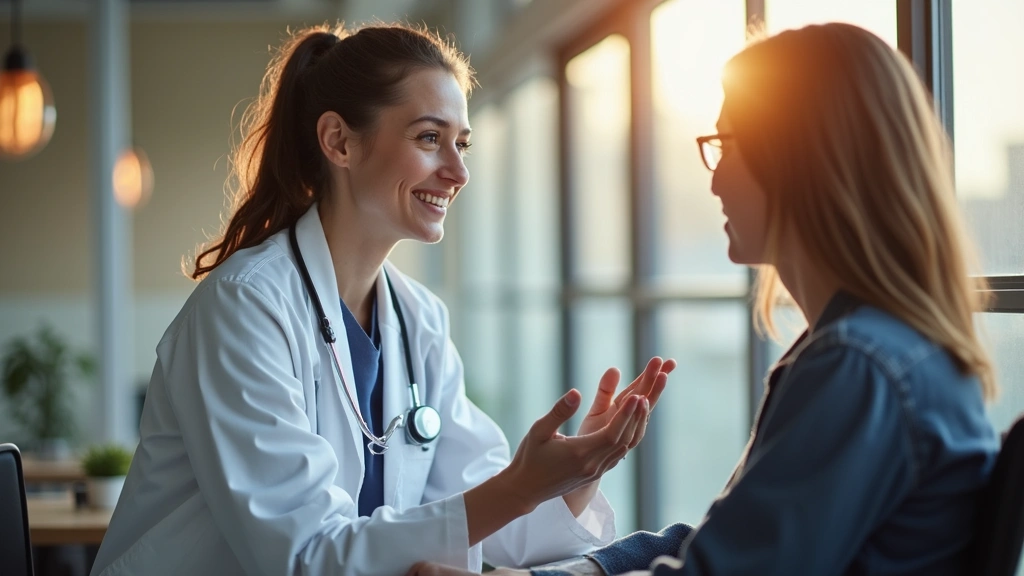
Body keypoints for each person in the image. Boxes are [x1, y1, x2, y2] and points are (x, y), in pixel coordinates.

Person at [409, 21, 1000, 576]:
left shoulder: (857, 365)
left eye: (728, 144)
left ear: (799, 159)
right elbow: (728, 538)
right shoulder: (877, 351)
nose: (714, 179)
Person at [89, 23, 678, 576]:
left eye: (462, 145)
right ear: (339, 142)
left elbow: (486, 520)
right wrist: (520, 486)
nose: (458, 172)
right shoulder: (244, 308)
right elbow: (305, 555)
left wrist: (575, 472)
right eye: (429, 138)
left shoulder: (418, 319)